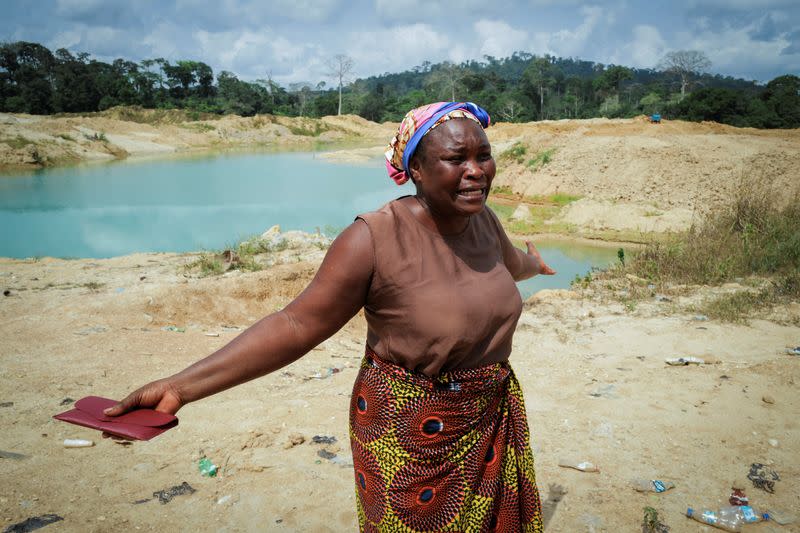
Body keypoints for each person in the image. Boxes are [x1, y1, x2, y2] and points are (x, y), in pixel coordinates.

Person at [106, 101, 555, 532]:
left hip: (488, 415)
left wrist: (535, 263)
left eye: (484, 155)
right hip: (407, 435)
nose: (476, 171)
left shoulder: (484, 224)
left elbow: (510, 265)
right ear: (414, 169)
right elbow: (295, 324)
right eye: (457, 158)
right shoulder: (372, 240)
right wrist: (179, 388)